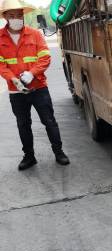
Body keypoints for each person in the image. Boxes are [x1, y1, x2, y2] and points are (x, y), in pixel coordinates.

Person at [0, 0, 70, 170]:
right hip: (16, 91)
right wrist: (14, 80)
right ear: (5, 17)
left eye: (19, 15)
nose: (17, 18)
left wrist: (32, 73)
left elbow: (45, 58)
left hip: (38, 87)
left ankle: (59, 152)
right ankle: (29, 157)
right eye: (12, 16)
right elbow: (1, 64)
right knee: (23, 124)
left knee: (49, 121)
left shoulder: (35, 34)